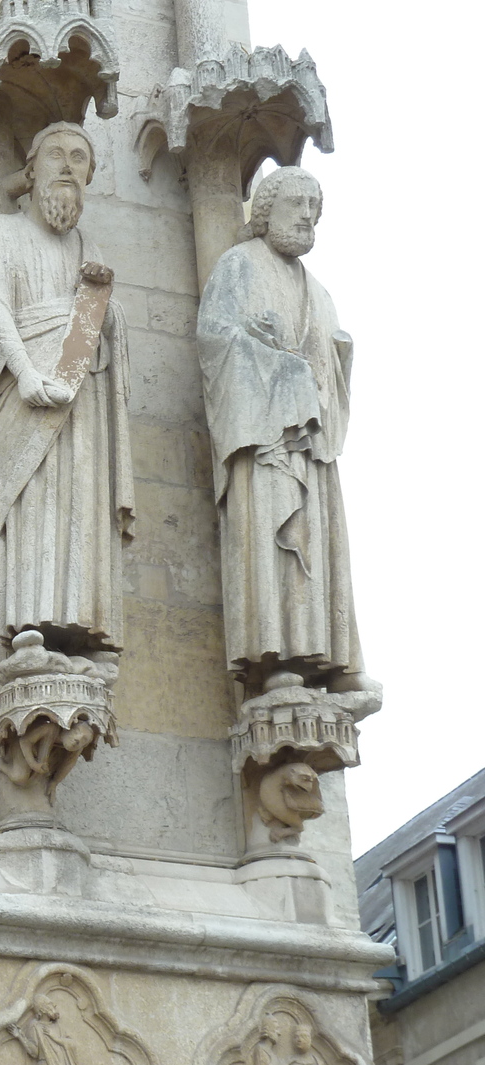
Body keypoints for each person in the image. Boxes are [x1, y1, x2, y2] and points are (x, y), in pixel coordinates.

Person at [196, 166, 366, 696]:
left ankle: (323, 657)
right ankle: (275, 656)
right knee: (272, 538)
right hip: (265, 438)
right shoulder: (237, 266)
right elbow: (214, 339)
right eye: (298, 204)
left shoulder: (316, 289)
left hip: (309, 448)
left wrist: (332, 356)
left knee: (315, 546)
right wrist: (267, 355)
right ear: (267, 209)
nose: (309, 217)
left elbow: (330, 367)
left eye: (315, 209)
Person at [0, 122, 135, 661]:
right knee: (34, 498)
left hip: (82, 395)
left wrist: (106, 319)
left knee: (80, 500)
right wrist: (24, 370)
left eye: (81, 159)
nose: (69, 166)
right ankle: (28, 620)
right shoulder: (0, 233)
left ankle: (84, 627)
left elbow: (110, 323)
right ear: (31, 169)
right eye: (58, 155)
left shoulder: (92, 248)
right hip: (27, 388)